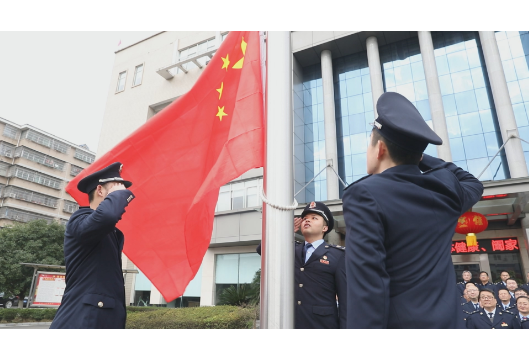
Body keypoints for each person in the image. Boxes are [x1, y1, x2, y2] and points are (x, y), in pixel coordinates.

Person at [342, 92, 483, 329]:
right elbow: (473, 183)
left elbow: (368, 287)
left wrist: (414, 153)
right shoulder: (445, 190)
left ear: (380, 149)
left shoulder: (364, 195)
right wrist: (416, 153)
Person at [50, 162, 134, 329]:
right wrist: (119, 195)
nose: (123, 193)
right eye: (117, 188)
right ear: (100, 190)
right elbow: (108, 215)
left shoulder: (110, 232)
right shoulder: (79, 219)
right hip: (82, 320)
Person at [256, 201, 346, 329]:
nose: (307, 221)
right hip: (292, 323)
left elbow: (345, 300)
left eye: (314, 218)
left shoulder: (337, 255)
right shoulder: (290, 249)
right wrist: (284, 232)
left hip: (322, 324)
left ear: (324, 228)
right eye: (304, 218)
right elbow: (263, 251)